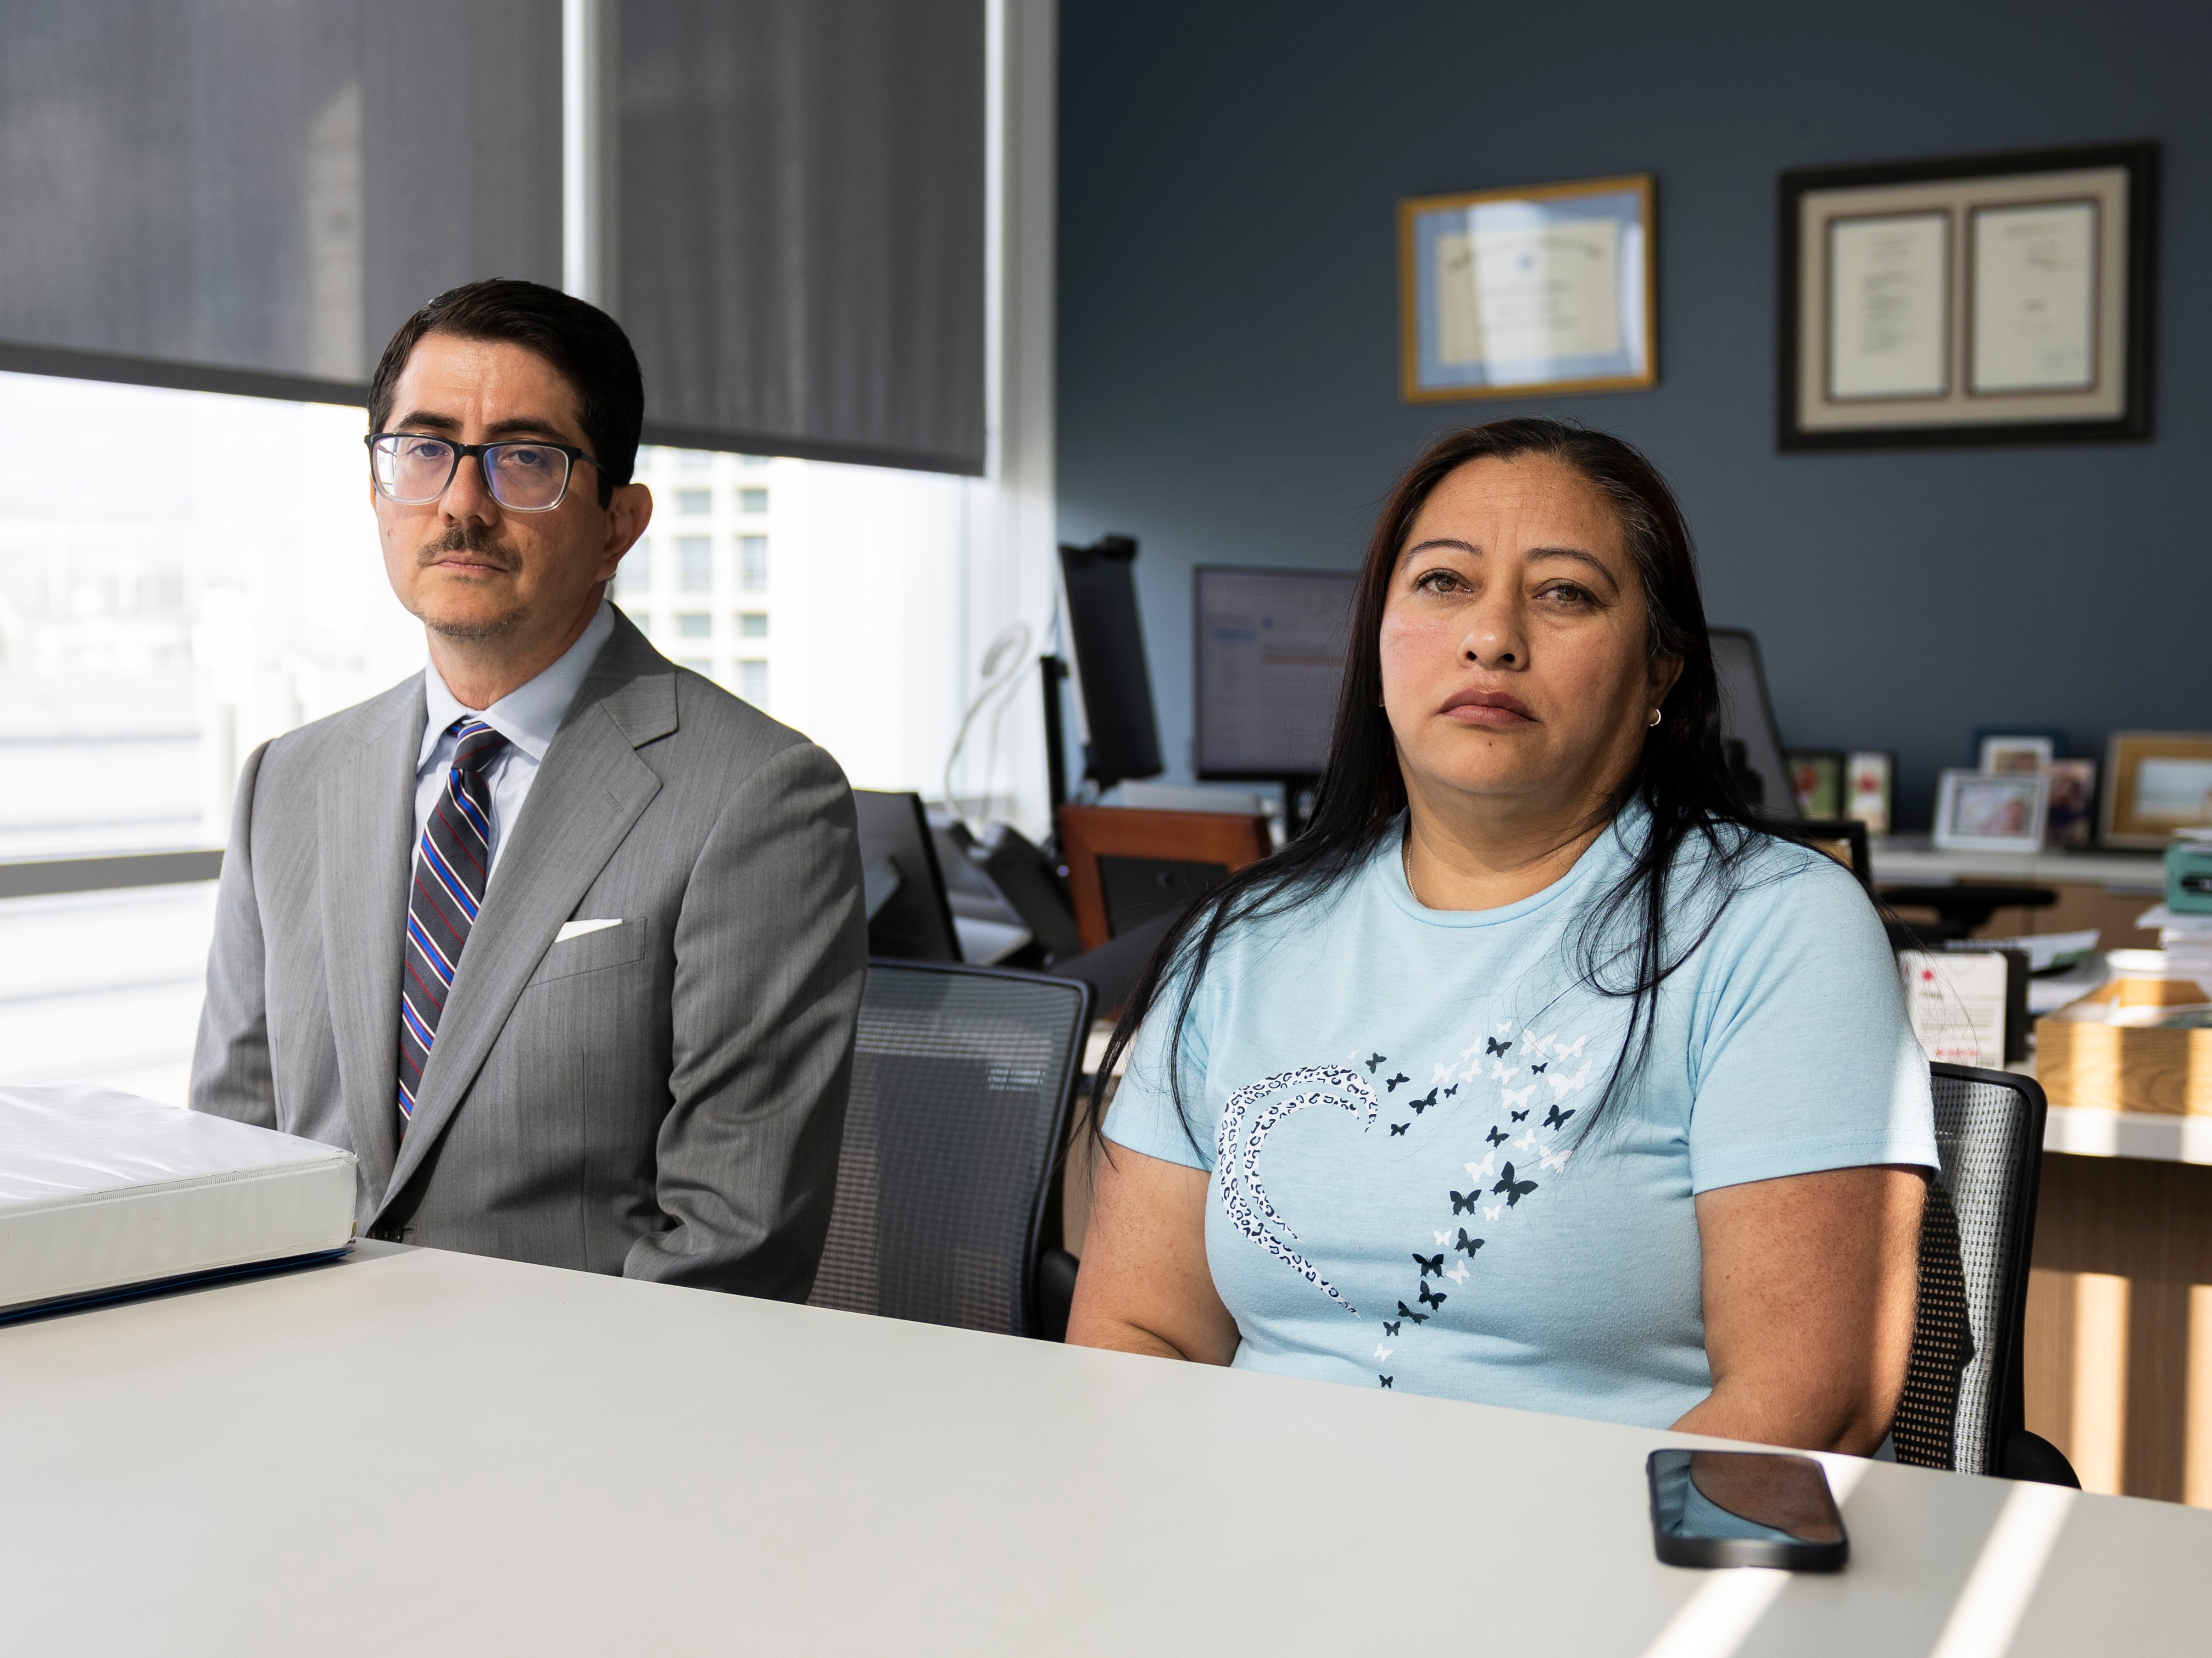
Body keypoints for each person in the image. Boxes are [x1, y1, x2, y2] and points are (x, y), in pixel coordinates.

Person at [1068, 418, 1935, 1454]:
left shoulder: (1774, 927)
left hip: (1608, 1577)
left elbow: (1804, 1403)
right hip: (1260, 1564)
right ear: (1377, 643)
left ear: (1660, 671)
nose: (1493, 637)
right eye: (1442, 583)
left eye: (1565, 593)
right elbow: (1136, 1334)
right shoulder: (1242, 941)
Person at [192, 280, 867, 1298]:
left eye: (525, 460)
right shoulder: (286, 781)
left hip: (582, 1420)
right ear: (379, 492)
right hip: (302, 1392)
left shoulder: (760, 798)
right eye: (422, 450)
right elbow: (225, 1157)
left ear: (618, 525)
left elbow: (734, 1241)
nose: (462, 503)